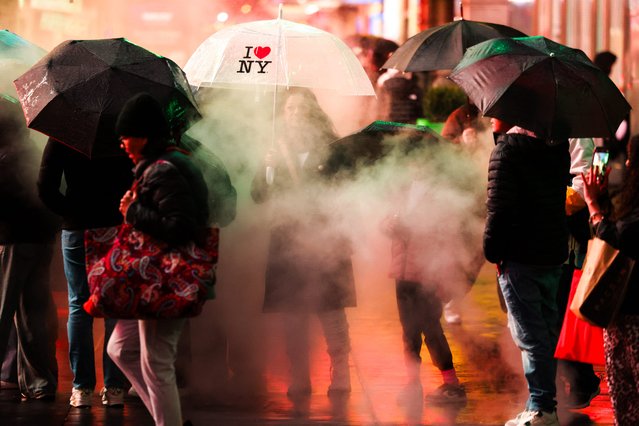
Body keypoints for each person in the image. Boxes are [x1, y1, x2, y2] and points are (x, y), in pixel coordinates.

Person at [106, 92, 210, 426]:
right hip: (152, 278)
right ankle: (170, 418)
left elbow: (180, 228)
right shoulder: (161, 165)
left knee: (157, 363)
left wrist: (133, 211)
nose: (121, 141)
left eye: (126, 135)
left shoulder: (164, 170)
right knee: (120, 350)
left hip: (163, 279)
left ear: (144, 136)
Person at [251, 88, 356, 397]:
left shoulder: (334, 149)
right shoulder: (274, 149)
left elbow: (349, 188)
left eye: (300, 109)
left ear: (313, 113)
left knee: (331, 309)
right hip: (286, 240)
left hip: (326, 240)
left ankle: (340, 371)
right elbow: (258, 195)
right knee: (292, 313)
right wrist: (266, 168)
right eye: (289, 109)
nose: (294, 114)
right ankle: (300, 375)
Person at [38, 125, 132, 406]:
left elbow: (45, 186)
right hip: (116, 226)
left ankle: (82, 389)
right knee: (114, 303)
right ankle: (115, 388)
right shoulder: (121, 131)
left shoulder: (65, 131)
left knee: (79, 304)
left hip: (77, 228)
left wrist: (70, 212)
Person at [485, 118, 569, 426]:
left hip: (519, 255)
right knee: (545, 330)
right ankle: (544, 402)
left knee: (530, 334)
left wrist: (492, 251)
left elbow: (498, 209)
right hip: (551, 251)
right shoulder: (557, 144)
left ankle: (542, 407)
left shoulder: (506, 150)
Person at [379, 155, 468, 404]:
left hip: (428, 272)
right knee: (408, 331)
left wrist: (444, 276)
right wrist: (391, 225)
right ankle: (412, 384)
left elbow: (447, 235)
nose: (413, 164)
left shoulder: (440, 194)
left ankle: (451, 384)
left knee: (431, 327)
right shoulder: (402, 190)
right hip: (402, 272)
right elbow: (385, 222)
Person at [0, 98, 59, 401]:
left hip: (14, 241)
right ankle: (41, 383)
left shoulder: (6, 157)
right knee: (33, 314)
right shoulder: (28, 151)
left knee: (3, 311)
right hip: (40, 240)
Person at [583, 134, 639, 425]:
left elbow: (622, 237)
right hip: (621, 313)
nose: (627, 163)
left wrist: (593, 208)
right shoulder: (629, 196)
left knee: (628, 393)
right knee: (622, 394)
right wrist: (601, 201)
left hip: (631, 315)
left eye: (632, 158)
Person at [555, 138, 601, 409]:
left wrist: (549, 201)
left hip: (570, 237)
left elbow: (583, 182)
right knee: (558, 311)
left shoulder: (576, 132)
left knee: (563, 310)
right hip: (554, 234)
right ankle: (573, 379)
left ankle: (581, 379)